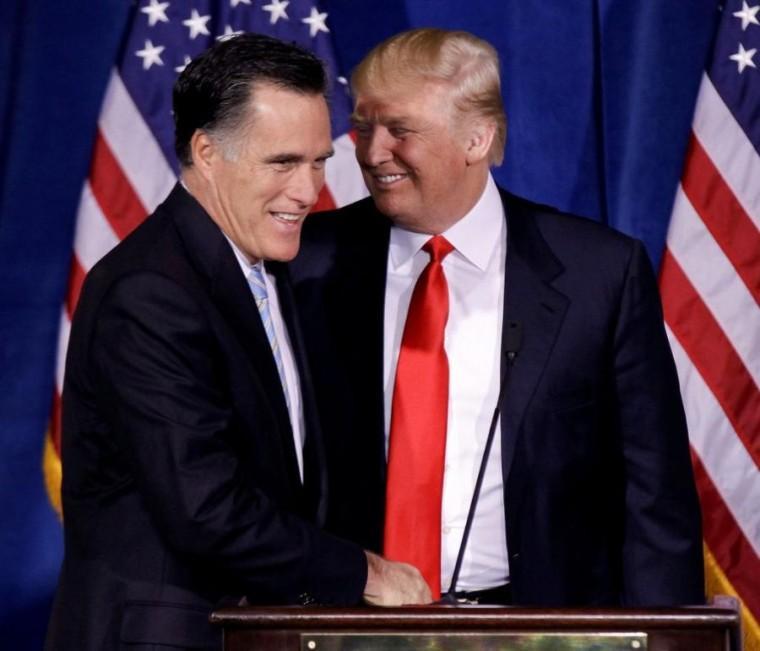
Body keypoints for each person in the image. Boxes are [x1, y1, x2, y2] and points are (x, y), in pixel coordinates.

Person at [291, 28, 704, 606]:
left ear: (476, 138)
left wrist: (667, 640)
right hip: (347, 622)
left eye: (399, 130)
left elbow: (654, 497)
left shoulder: (599, 273)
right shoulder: (305, 261)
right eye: (364, 127)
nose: (370, 151)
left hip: (545, 626)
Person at [45, 33, 430, 651]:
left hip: (255, 632)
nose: (307, 192)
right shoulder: (149, 291)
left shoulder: (270, 269)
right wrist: (365, 572)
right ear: (206, 151)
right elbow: (205, 507)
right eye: (282, 163)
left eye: (318, 163)